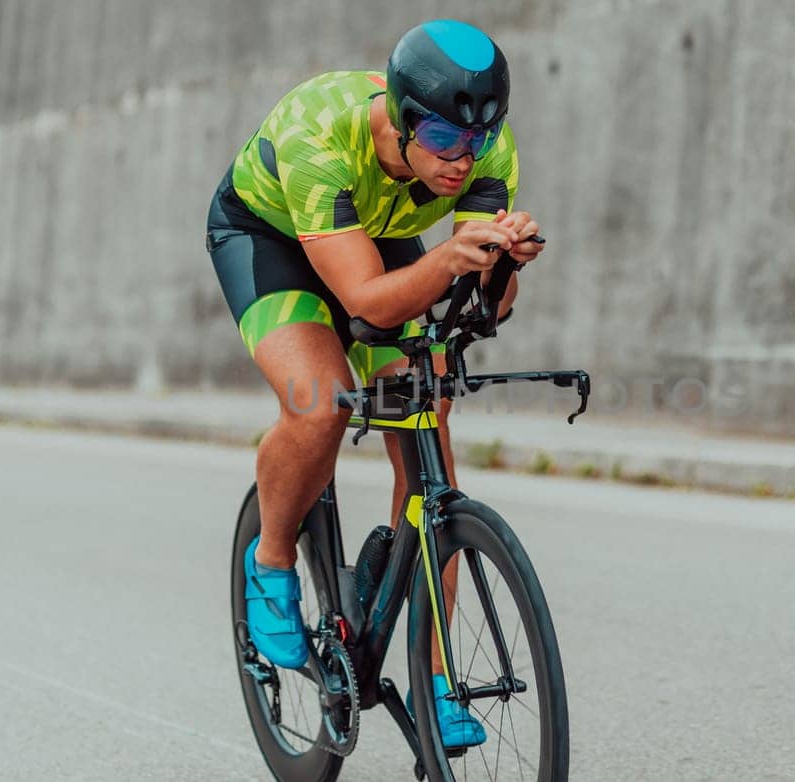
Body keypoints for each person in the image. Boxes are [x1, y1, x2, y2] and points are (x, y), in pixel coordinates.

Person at [204, 19, 545, 748]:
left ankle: (433, 682)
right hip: (271, 239)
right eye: (446, 141)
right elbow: (365, 302)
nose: (463, 161)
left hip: (379, 229)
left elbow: (484, 301)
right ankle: (269, 563)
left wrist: (503, 264)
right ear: (399, 114)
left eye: (477, 141)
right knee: (319, 404)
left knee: (424, 416)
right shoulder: (318, 134)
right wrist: (453, 260)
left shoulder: (482, 146)